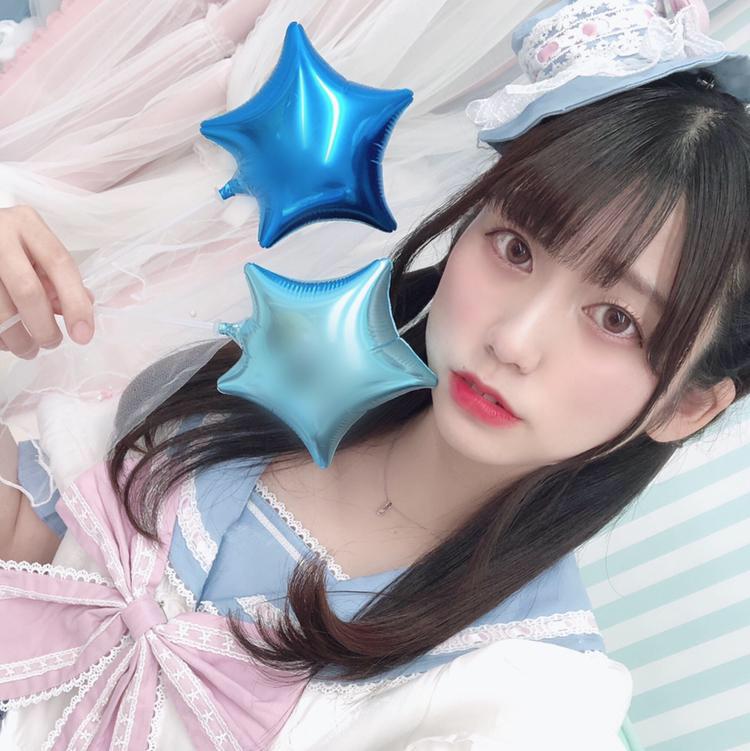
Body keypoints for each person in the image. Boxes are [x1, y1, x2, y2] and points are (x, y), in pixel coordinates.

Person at [0, 0, 748, 748]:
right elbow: (26, 550)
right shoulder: (234, 401)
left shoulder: (526, 701)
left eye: (615, 319)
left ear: (686, 406)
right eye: (515, 248)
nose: (513, 341)